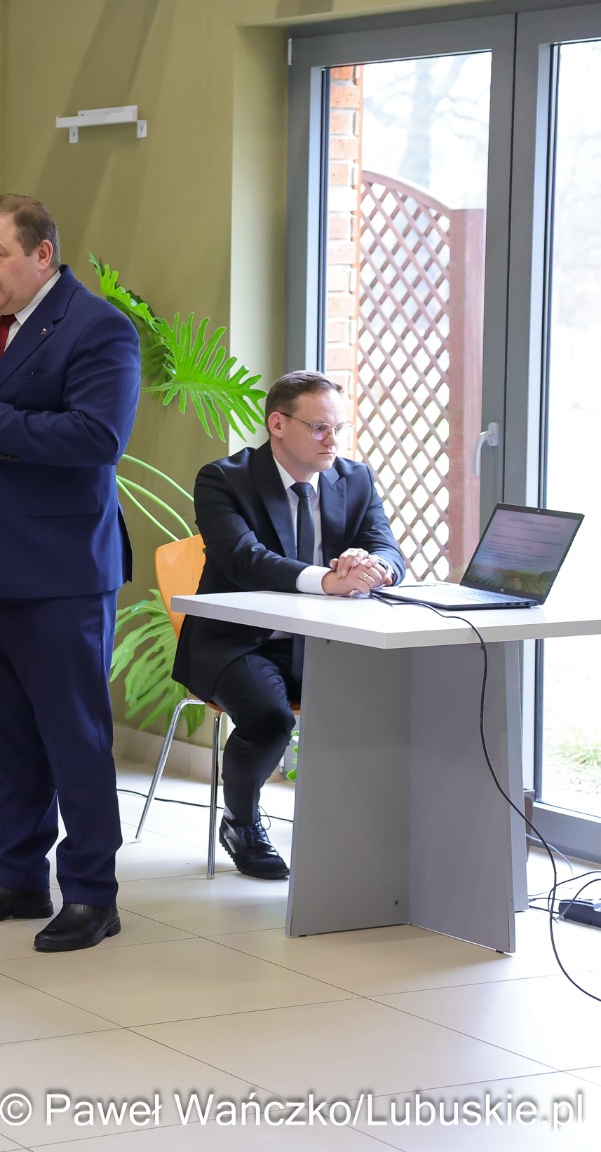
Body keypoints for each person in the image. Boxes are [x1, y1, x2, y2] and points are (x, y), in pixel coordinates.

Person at [0, 194, 141, 953]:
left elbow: (97, 438)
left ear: (43, 255)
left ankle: (92, 893)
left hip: (60, 572)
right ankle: (17, 876)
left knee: (74, 739)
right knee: (6, 738)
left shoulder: (99, 328)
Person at [173, 370, 405, 879]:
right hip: (238, 642)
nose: (332, 441)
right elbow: (243, 559)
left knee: (396, 699)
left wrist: (373, 567)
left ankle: (372, 831)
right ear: (277, 424)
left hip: (327, 642)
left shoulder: (355, 479)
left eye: (338, 428)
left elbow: (388, 548)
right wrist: (328, 581)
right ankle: (241, 823)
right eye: (319, 428)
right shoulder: (223, 479)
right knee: (269, 716)